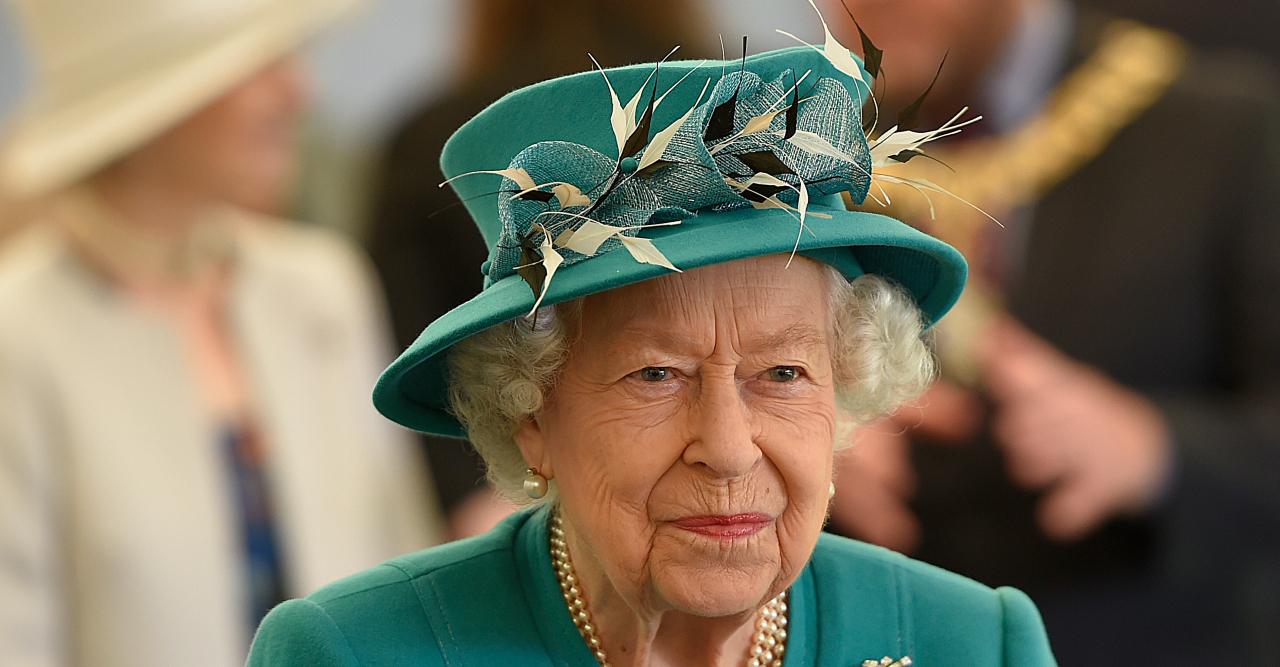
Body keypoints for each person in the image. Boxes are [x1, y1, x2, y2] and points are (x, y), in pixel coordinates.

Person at [247, 19, 1058, 666]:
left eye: (783, 371)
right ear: (529, 413)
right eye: (656, 374)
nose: (729, 448)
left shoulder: (975, 644)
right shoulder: (357, 653)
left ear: (843, 395)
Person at [823, 0, 1280, 662]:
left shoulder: (1226, 128)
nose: (861, 11)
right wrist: (817, 431)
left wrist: (1154, 448)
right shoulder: (811, 144)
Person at [0, 1, 443, 665]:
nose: (301, 92)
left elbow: (412, 587)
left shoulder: (323, 292)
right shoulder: (22, 334)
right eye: (259, 63)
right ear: (156, 96)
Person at [367, 0, 716, 539]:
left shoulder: (433, 143)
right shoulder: (733, 111)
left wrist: (471, 499)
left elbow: (404, 345)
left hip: (509, 495)